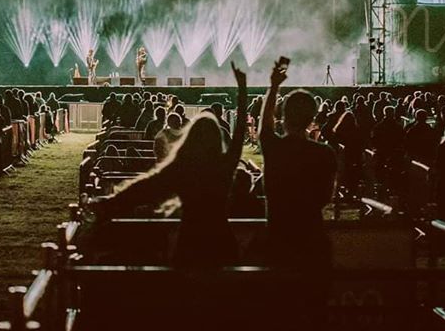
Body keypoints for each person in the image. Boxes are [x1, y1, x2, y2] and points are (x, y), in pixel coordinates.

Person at [92, 62, 248, 267]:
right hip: (221, 240)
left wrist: (109, 202)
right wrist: (243, 90)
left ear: (190, 138)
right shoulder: (223, 167)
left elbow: (146, 186)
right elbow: (239, 134)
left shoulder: (182, 168)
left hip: (190, 240)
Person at [258, 57, 336, 271]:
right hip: (312, 243)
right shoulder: (324, 154)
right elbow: (325, 197)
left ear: (283, 117)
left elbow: (264, 126)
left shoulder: (275, 149)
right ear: (312, 119)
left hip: (279, 242)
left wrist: (274, 85)